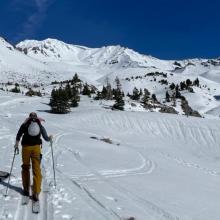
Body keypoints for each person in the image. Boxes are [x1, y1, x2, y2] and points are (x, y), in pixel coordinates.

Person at [14, 112, 52, 201]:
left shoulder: (25, 124)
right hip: (36, 148)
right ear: (36, 117)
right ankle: (36, 192)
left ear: (29, 117)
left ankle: (26, 189)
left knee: (25, 167)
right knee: (36, 169)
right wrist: (50, 138)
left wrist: (16, 144)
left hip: (26, 148)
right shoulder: (39, 125)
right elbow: (46, 138)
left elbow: (19, 135)